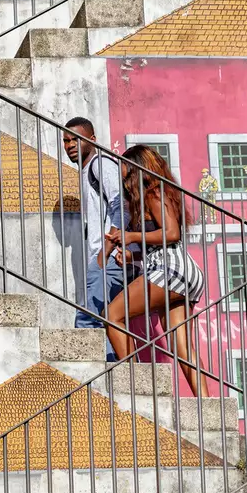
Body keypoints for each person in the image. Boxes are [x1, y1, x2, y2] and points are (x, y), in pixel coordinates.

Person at [102, 145, 209, 395]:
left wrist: (131, 236)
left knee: (113, 315)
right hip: (180, 271)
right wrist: (133, 256)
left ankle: (139, 390)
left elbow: (171, 233)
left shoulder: (153, 192)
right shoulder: (154, 196)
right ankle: (206, 405)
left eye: (124, 167)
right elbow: (159, 245)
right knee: (182, 347)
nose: (121, 174)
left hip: (169, 270)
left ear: (137, 169)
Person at [63, 117, 128, 360]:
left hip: (107, 259)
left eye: (76, 139)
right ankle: (112, 374)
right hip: (103, 259)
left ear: (92, 140)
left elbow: (121, 205)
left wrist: (107, 251)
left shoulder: (100, 164)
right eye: (66, 141)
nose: (70, 145)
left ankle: (95, 376)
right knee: (104, 323)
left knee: (88, 322)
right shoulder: (87, 170)